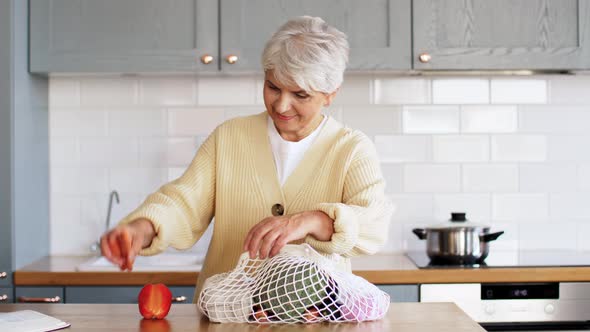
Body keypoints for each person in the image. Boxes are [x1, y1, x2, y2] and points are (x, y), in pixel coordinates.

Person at [100, 16, 394, 303]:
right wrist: (142, 227)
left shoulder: (351, 149)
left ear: (330, 94)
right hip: (226, 316)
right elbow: (183, 202)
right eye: (273, 87)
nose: (281, 104)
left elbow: (374, 224)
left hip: (313, 319)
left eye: (300, 94)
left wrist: (312, 220)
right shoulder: (230, 137)